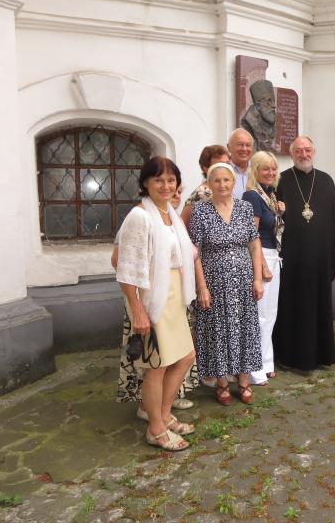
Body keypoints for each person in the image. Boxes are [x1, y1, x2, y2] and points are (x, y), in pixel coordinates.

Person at [115, 157, 197, 451]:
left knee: (185, 357)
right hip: (153, 298)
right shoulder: (140, 216)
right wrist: (138, 309)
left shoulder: (170, 214)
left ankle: (161, 414)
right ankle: (155, 429)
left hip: (173, 295)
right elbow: (124, 267)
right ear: (145, 183)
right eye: (158, 180)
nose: (165, 185)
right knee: (157, 365)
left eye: (171, 180)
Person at [189, 163, 264, 405]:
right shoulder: (200, 210)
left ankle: (244, 381)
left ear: (233, 182)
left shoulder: (245, 208)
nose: (222, 185)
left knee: (244, 328)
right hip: (214, 281)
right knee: (217, 331)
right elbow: (195, 252)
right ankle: (221, 383)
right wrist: (202, 287)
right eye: (217, 180)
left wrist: (257, 279)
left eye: (226, 180)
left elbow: (254, 244)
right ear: (209, 184)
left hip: (243, 281)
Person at [274, 136, 335, 371]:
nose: (304, 154)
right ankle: (290, 357)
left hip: (320, 257)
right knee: (291, 307)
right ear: (291, 154)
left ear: (314, 152)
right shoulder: (281, 180)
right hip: (291, 258)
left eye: (308, 150)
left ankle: (320, 355)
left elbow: (334, 219)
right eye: (299, 151)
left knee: (318, 306)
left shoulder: (326, 180)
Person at [242, 151, 285, 385]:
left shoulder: (269, 195)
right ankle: (253, 368)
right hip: (262, 257)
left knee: (270, 314)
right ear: (255, 171)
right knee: (258, 315)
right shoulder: (252, 195)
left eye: (273, 168)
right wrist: (262, 266)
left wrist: (280, 212)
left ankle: (266, 362)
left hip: (273, 255)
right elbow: (252, 234)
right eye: (265, 168)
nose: (270, 172)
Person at [180, 144, 231, 227]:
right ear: (206, 168)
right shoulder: (202, 193)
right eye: (220, 165)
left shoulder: (223, 189)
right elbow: (184, 224)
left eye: (228, 163)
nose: (226, 168)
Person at [241, 79, 277, 152]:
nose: (274, 106)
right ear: (258, 106)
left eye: (274, 101)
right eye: (268, 101)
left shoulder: (270, 124)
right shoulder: (249, 121)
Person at [227, 128, 254, 199]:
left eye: (248, 145)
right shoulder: (219, 171)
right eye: (240, 145)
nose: (244, 149)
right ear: (229, 147)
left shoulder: (258, 171)